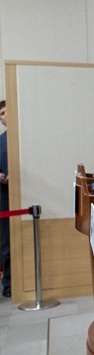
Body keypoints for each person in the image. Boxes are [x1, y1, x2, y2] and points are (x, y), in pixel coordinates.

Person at [0, 101, 10, 298]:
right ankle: (8, 283)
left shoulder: (25, 136)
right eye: (1, 114)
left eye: (6, 111)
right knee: (7, 242)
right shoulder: (1, 140)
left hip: (28, 196)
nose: (5, 115)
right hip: (5, 195)